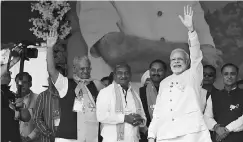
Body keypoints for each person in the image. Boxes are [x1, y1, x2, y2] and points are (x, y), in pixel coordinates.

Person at [68, 1, 222, 85]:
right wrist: (187, 53)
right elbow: (114, 50)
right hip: (123, 105)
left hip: (181, 104)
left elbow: (209, 59)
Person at [146, 6, 221, 142]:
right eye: (173, 60)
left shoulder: (193, 76)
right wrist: (152, 136)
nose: (176, 62)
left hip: (188, 136)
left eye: (180, 59)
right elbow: (158, 112)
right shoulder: (164, 83)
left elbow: (196, 55)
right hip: (165, 137)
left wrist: (191, 31)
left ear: (187, 63)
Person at [45, 30, 105, 142]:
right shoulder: (65, 84)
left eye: (88, 68)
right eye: (82, 68)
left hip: (89, 140)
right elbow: (51, 70)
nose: (86, 71)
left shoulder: (96, 84)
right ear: (75, 68)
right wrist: (49, 48)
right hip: (67, 139)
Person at [96, 63, 147, 142]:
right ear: (114, 75)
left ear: (130, 75)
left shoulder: (134, 93)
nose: (123, 76)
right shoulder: (106, 92)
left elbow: (143, 115)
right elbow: (100, 115)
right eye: (119, 73)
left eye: (126, 73)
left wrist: (140, 120)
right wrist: (125, 118)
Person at [33, 68, 66, 142]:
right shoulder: (43, 96)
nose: (55, 81)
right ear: (49, 79)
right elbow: (37, 118)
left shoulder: (68, 96)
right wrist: (49, 134)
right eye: (53, 78)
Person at [139, 59, 167, 142]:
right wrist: (148, 133)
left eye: (159, 70)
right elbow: (139, 115)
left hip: (167, 139)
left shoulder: (171, 90)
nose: (156, 73)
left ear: (165, 72)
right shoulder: (141, 92)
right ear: (149, 72)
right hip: (147, 139)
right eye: (153, 70)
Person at [14, 72, 41, 142]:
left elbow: (41, 123)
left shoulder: (38, 99)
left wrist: (28, 139)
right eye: (18, 83)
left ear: (30, 84)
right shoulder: (10, 99)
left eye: (24, 82)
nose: (21, 86)